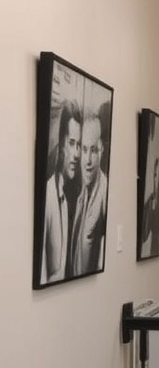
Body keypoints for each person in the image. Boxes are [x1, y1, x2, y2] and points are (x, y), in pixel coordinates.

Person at [41, 99, 82, 284]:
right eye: (72, 143)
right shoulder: (48, 197)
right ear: (61, 143)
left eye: (79, 145)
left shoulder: (63, 200)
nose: (77, 154)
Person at [69, 110, 108, 276]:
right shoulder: (79, 191)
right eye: (84, 150)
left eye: (93, 150)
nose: (89, 161)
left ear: (102, 150)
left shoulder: (104, 193)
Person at [141, 156, 159, 257]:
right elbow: (144, 234)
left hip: (156, 249)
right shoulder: (149, 201)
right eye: (154, 174)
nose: (155, 178)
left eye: (157, 175)